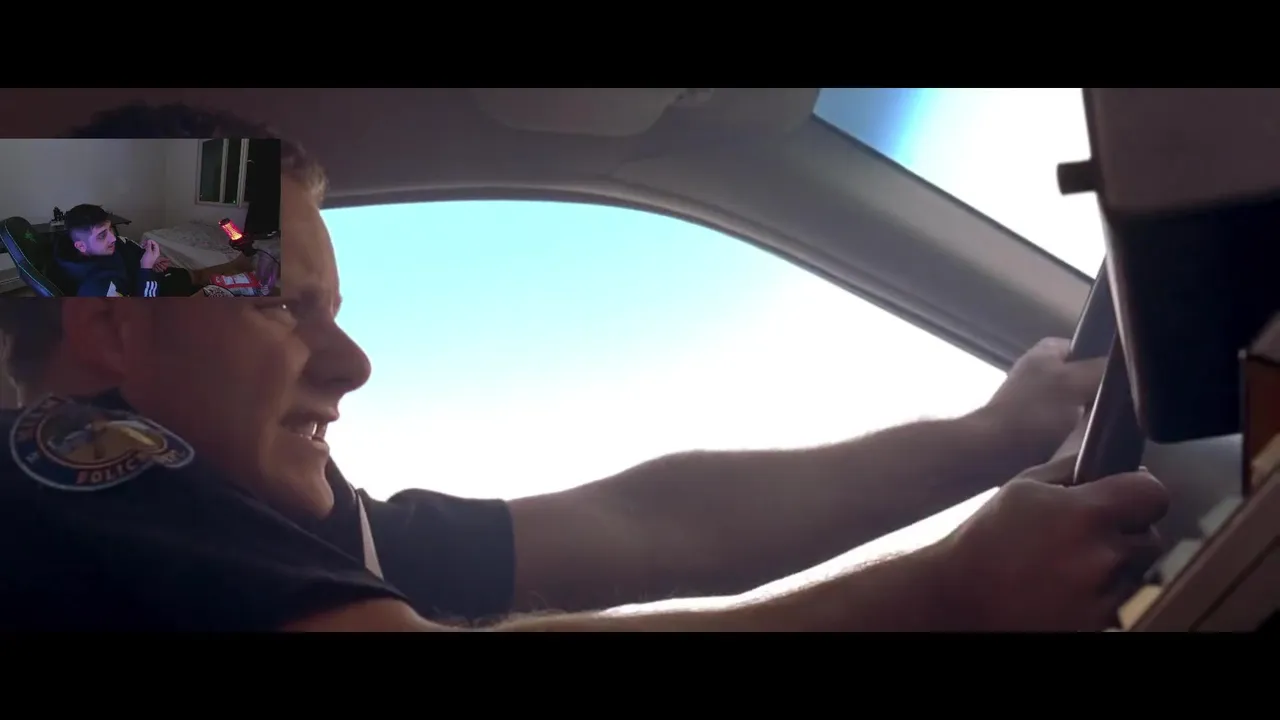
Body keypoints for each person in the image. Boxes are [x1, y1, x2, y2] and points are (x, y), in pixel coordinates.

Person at [0, 102, 1169, 631]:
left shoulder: (260, 545)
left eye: (334, 314)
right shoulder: (56, 475)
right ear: (113, 331)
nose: (350, 365)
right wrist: (941, 598)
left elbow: (648, 524)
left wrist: (992, 435)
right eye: (280, 309)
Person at [58, 203, 257, 297]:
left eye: (110, 229)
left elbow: (126, 247)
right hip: (152, 293)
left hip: (152, 278)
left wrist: (149, 259)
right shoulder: (96, 288)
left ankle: (235, 266)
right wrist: (146, 269)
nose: (112, 237)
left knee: (196, 276)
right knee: (205, 291)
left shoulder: (107, 247)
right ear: (81, 246)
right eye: (102, 235)